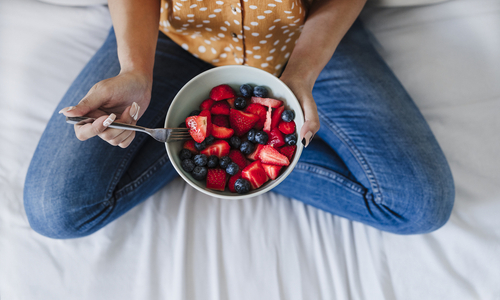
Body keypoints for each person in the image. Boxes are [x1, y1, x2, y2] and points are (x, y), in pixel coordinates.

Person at [24, 0, 455, 239]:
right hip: (173, 38)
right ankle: (200, 151)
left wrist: (302, 72)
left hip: (305, 36)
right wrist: (135, 68)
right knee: (55, 211)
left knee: (419, 206)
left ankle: (214, 154)